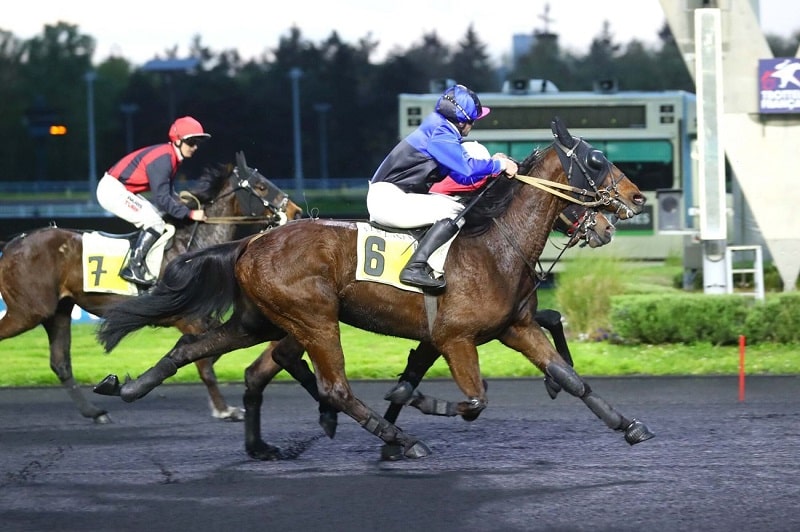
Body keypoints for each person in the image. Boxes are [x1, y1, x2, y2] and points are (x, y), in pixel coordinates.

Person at [367, 84, 518, 290]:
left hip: (392, 196)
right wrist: (499, 164)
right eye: (473, 121)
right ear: (464, 121)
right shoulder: (441, 132)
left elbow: (464, 178)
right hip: (388, 199)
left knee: (451, 206)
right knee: (455, 211)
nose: (473, 126)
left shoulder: (439, 127)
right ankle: (415, 268)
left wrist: (493, 170)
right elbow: (466, 168)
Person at [96, 115, 210, 286]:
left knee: (159, 218)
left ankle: (146, 263)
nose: (194, 147)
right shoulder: (164, 159)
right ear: (177, 140)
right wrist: (190, 214)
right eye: (191, 141)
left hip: (121, 189)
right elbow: (163, 199)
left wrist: (182, 204)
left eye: (197, 143)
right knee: (155, 222)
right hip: (112, 190)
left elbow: (168, 194)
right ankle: (132, 268)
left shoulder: (171, 157)